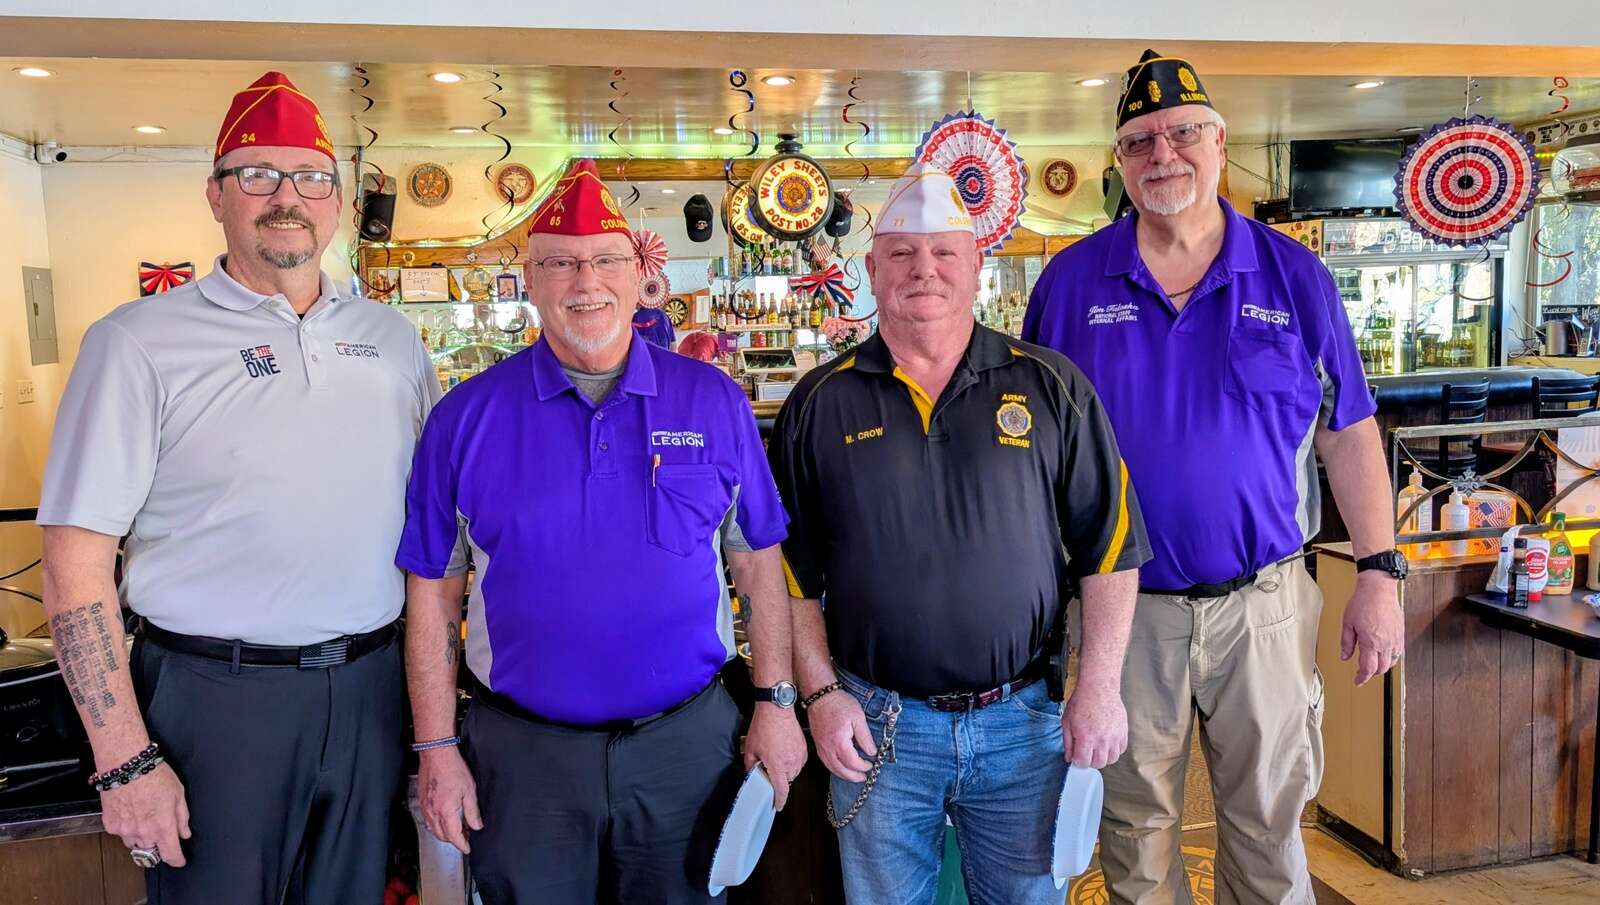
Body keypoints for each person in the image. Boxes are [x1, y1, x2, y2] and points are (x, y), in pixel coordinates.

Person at [36, 71, 440, 904]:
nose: (287, 197)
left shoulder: (393, 340)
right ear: (216, 194)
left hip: (369, 690)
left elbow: (432, 526)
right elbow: (74, 565)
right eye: (258, 174)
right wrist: (124, 759)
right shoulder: (136, 343)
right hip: (212, 702)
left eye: (311, 177)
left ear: (338, 201)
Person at [1023, 50, 1408, 905]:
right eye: (1140, 141)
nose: (1163, 154)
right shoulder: (1069, 284)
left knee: (1271, 831)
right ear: (1119, 161)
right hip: (1122, 618)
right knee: (1134, 839)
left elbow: (1348, 433)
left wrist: (1379, 573)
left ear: (1220, 143)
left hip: (1264, 606)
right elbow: (1033, 456)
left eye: (1183, 133)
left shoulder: (1294, 277)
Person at [398, 159, 808, 904]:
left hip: (685, 751)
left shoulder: (712, 400)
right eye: (560, 262)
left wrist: (777, 702)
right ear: (530, 279)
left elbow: (758, 564)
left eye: (606, 260)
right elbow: (431, 593)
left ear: (639, 274)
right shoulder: (464, 419)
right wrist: (435, 746)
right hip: (523, 760)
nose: (585, 281)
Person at [770, 163, 1150, 905]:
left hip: (1024, 725)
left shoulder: (1052, 386)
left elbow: (1110, 550)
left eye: (944, 251)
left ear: (976, 264)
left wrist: (1099, 687)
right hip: (876, 725)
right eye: (902, 253)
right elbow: (791, 575)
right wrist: (820, 694)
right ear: (872, 270)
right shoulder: (820, 402)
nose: (925, 269)